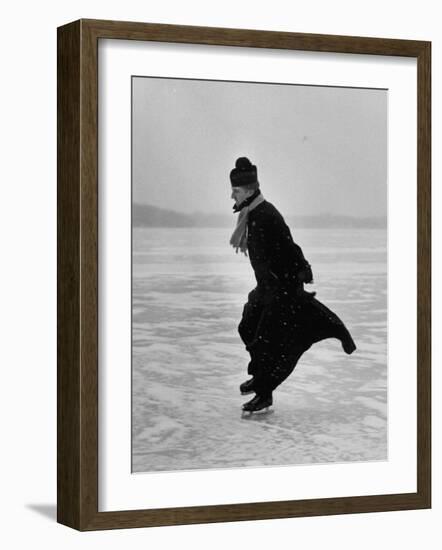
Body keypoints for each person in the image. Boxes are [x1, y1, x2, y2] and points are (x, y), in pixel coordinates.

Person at [229, 157, 356, 413]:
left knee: (268, 342)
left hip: (280, 289)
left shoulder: (266, 215)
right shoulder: (252, 214)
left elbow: (287, 244)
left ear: (249, 191)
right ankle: (259, 376)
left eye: (235, 190)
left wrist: (301, 269)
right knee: (247, 327)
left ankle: (264, 394)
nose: (231, 195)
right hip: (266, 287)